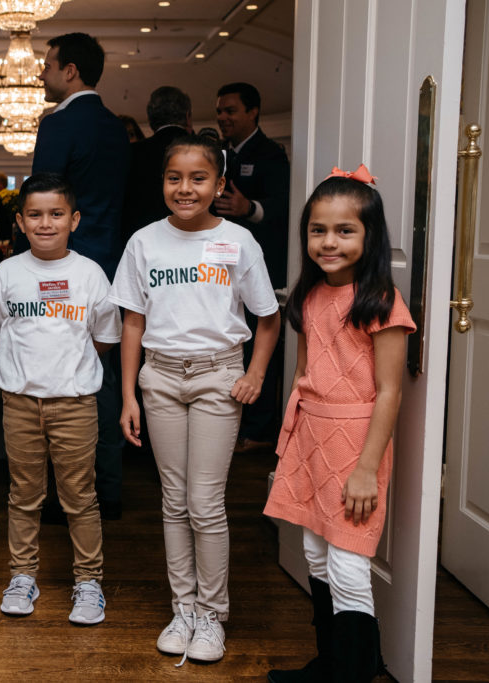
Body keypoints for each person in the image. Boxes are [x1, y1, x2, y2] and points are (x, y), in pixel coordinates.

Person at [111, 134, 280, 664]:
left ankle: (212, 615)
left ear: (219, 184)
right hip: (159, 379)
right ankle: (182, 608)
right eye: (174, 178)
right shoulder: (143, 242)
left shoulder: (238, 241)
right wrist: (127, 395)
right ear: (163, 183)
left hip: (216, 378)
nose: (185, 188)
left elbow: (268, 318)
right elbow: (132, 322)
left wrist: (253, 373)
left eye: (198, 178)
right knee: (173, 498)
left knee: (204, 503)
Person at [264, 168, 414, 683]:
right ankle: (331, 664)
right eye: (317, 230)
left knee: (349, 569)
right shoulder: (307, 298)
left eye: (345, 230)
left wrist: (367, 470)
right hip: (310, 441)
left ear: (370, 236)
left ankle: (355, 671)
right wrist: (288, 452)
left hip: (355, 448)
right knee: (315, 556)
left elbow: (390, 392)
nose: (328, 242)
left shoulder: (382, 303)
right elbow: (305, 379)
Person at [0, 173, 121, 625]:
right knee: (23, 494)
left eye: (56, 214)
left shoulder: (90, 274)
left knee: (80, 496)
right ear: (19, 222)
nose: (45, 223)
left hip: (75, 404)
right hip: (20, 403)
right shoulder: (6, 273)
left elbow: (103, 338)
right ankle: (22, 575)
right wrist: (27, 370)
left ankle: (88, 582)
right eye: (34, 215)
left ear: (73, 220)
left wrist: (66, 370)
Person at [32, 31, 130, 519]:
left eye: (48, 64)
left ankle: (67, 494)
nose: (42, 73)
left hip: (65, 266)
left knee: (62, 377)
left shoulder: (57, 124)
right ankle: (107, 489)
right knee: (104, 376)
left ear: (70, 70)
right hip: (112, 263)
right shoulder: (116, 127)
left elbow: (45, 198)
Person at [214, 81, 291, 452]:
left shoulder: (271, 154)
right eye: (219, 111)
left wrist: (250, 209)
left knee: (262, 341)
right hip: (221, 267)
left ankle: (260, 430)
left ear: (252, 112)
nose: (222, 117)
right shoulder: (220, 155)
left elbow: (284, 207)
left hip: (262, 263)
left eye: (230, 110)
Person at [124, 86, 193, 237]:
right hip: (197, 241)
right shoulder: (208, 152)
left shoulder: (132, 154)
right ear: (188, 116)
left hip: (145, 241)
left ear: (150, 120)